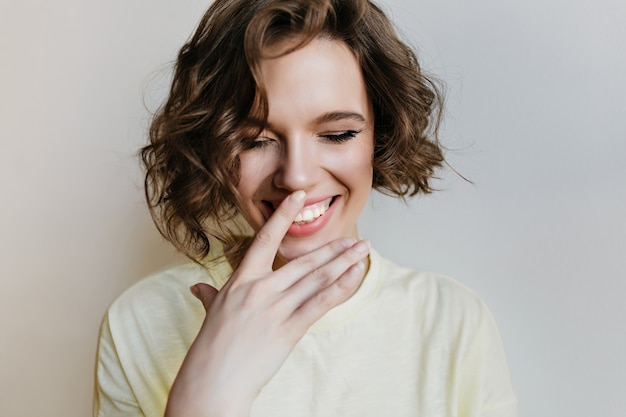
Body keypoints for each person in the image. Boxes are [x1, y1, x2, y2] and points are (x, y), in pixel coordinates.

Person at [94, 0, 517, 416]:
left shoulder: (454, 322)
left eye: (337, 134)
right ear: (214, 149)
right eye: (255, 141)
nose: (296, 176)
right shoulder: (139, 322)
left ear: (380, 135)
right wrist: (204, 395)